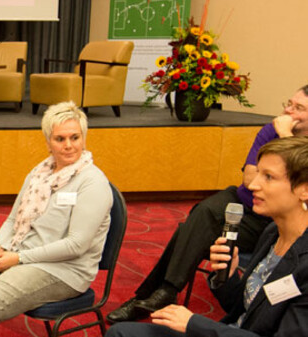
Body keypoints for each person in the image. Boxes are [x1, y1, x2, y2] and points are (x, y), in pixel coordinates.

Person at [78, 136, 308, 337]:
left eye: (268, 177)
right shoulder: (272, 234)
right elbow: (244, 309)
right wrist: (228, 278)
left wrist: (195, 325)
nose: (253, 185)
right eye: (258, 173)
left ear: (304, 188)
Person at [108, 85, 308, 322]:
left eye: (299, 108)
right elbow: (249, 180)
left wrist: (286, 138)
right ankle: (164, 292)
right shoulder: (270, 130)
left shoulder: (281, 133)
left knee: (194, 229)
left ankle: (159, 293)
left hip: (271, 221)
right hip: (244, 201)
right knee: (203, 213)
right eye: (288, 103)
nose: (288, 111)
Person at [0, 101, 112, 330]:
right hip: (20, 254)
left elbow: (76, 245)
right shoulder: (40, 172)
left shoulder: (93, 183)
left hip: (63, 270)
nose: (69, 145)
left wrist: (18, 258)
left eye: (75, 138)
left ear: (84, 139)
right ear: (48, 143)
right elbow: (13, 220)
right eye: (60, 139)